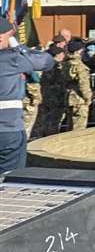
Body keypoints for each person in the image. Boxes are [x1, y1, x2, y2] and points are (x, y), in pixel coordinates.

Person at [0, 18, 54, 172]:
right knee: (9, 180)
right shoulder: (12, 59)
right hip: (7, 130)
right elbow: (46, 61)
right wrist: (17, 47)